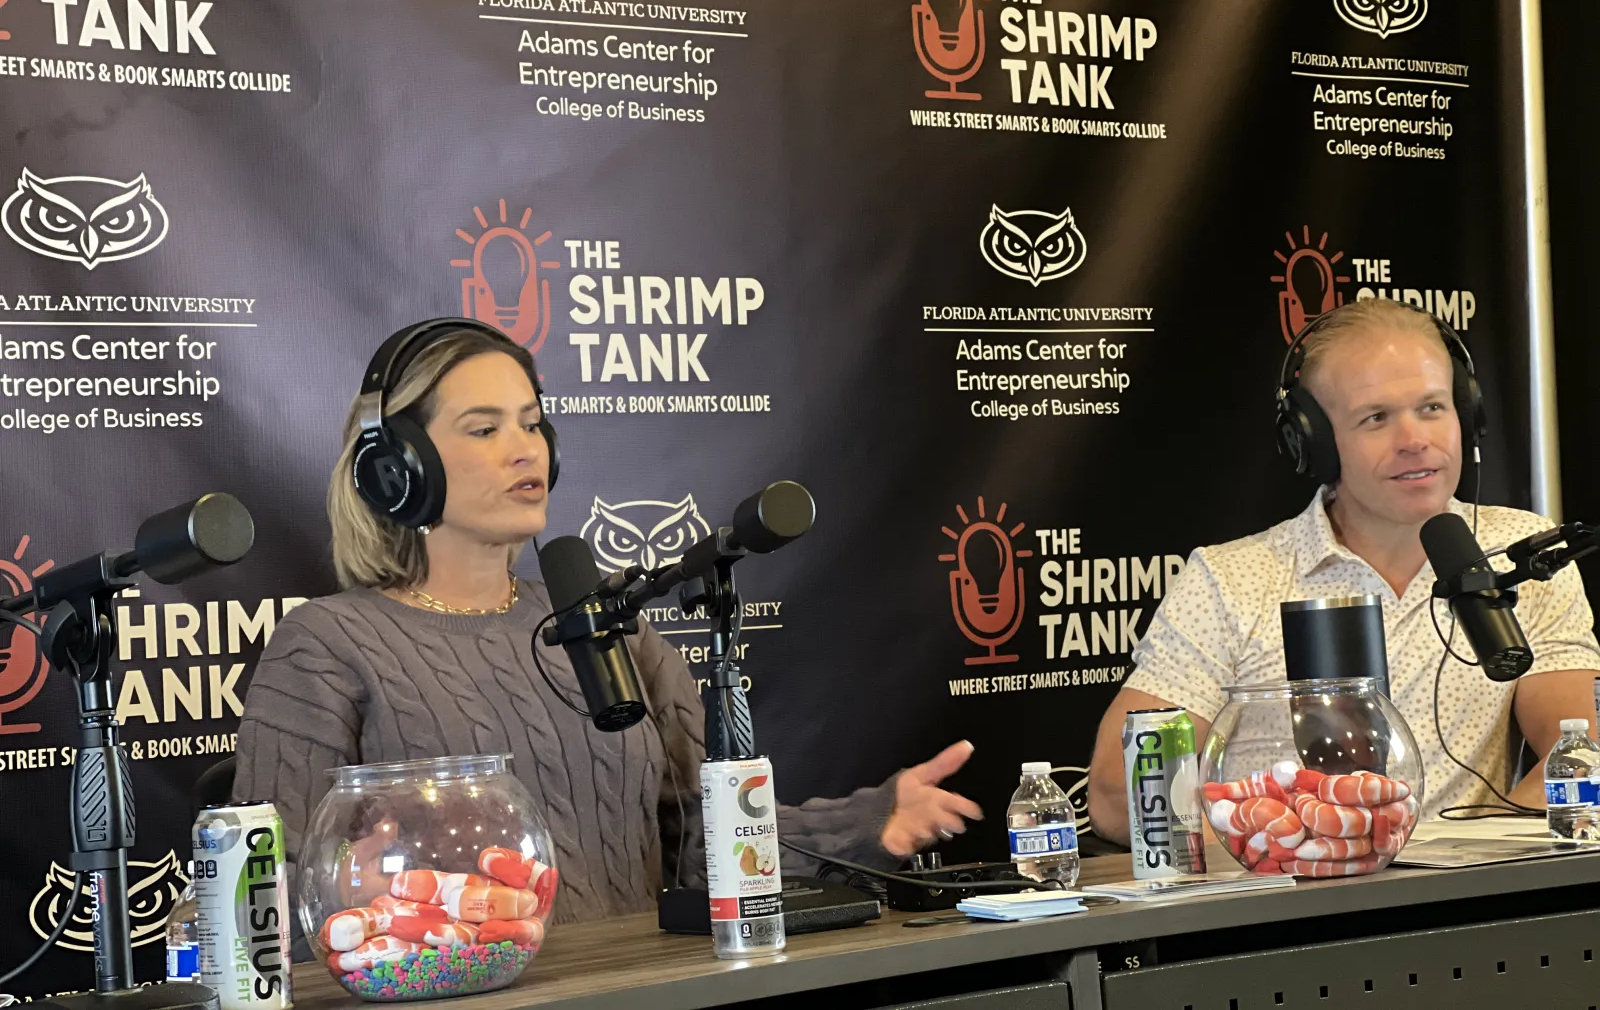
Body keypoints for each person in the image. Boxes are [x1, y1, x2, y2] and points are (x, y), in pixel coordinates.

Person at [234, 318, 982, 925]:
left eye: (532, 423)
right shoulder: (327, 645)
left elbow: (700, 844)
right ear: (395, 469)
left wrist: (870, 822)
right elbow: (259, 896)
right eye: (484, 428)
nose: (525, 448)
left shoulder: (603, 624)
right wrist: (343, 892)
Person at [1087, 299, 1600, 842]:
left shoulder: (1517, 554)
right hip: (1286, 903)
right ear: (1315, 443)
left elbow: (1585, 754)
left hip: (1465, 904)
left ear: (1466, 413)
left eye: (1432, 407)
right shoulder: (1231, 578)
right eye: (1376, 417)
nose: (1414, 441)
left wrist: (1460, 860)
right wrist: (1310, 845)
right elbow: (1121, 797)